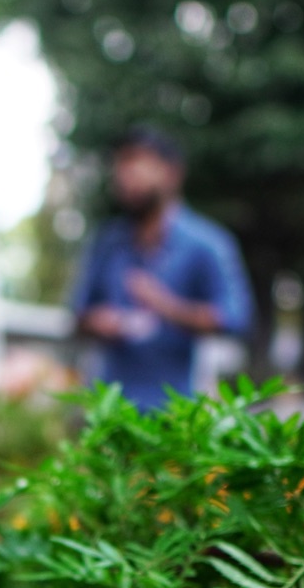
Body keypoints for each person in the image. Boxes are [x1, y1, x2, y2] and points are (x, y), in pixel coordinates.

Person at [71, 126, 253, 410]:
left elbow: (235, 317)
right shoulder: (106, 242)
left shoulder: (207, 244)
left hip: (178, 413)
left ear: (172, 173)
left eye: (137, 163)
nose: (125, 176)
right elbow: (77, 315)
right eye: (121, 164)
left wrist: (167, 306)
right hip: (110, 411)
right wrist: (100, 321)